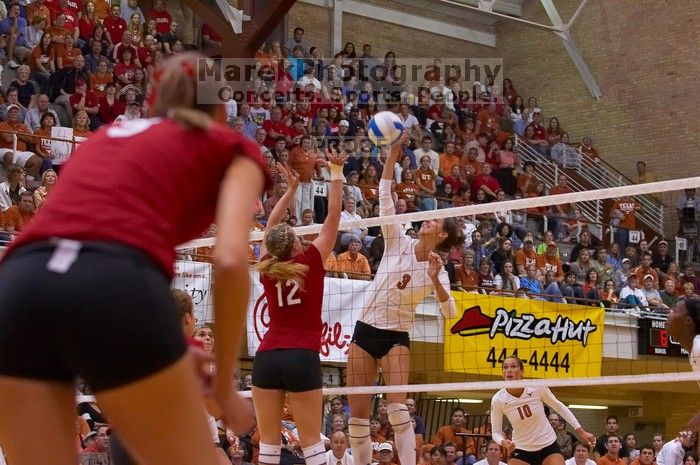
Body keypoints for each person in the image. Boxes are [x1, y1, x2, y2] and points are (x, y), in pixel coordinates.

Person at [0, 52, 268, 465]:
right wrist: (225, 384)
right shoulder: (231, 146)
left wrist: (165, 346)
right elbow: (231, 259)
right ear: (220, 107)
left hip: (18, 285)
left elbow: (78, 259)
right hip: (115, 282)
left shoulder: (104, 139)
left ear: (155, 101)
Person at [346, 132, 462, 465]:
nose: (428, 218)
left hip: (396, 337)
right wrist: (393, 155)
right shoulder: (398, 238)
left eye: (435, 220)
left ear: (440, 236)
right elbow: (384, 194)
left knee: (398, 409)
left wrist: (437, 284)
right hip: (365, 330)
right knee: (357, 416)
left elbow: (450, 313)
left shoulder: (437, 268)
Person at [252, 148, 346, 465]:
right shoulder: (310, 261)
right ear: (294, 243)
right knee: (311, 444)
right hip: (301, 355)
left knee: (268, 444)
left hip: (266, 357)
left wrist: (290, 190)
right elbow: (334, 216)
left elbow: (270, 227)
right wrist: (335, 170)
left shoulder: (267, 267)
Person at [490, 356, 596, 465]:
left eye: (513, 366)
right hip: (521, 448)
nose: (509, 370)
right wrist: (503, 442)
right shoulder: (498, 399)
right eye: (505, 367)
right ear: (503, 373)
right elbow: (496, 432)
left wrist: (582, 432)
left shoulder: (536, 387)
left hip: (547, 446)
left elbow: (560, 407)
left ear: (522, 371)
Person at [665, 297, 700, 431]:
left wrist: (687, 429)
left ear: (688, 320)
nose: (669, 314)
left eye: (674, 311)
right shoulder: (694, 351)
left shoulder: (698, 348)